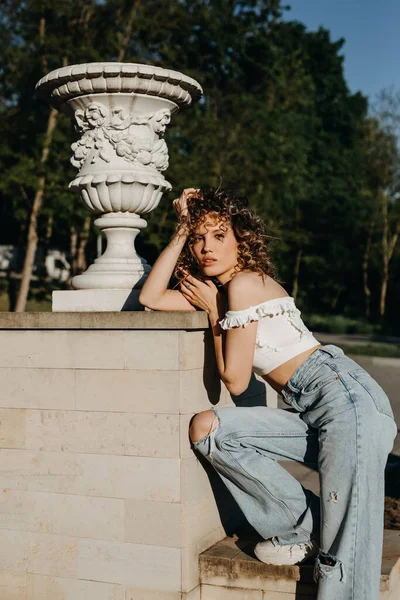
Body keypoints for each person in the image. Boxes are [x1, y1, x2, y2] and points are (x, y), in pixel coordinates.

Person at [139, 188, 397, 600]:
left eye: (219, 236)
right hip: (311, 405)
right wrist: (182, 226)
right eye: (198, 238)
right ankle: (304, 528)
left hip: (342, 397)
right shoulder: (221, 294)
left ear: (241, 239)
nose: (206, 248)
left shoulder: (242, 285)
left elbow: (236, 381)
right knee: (211, 430)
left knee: (345, 548)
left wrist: (213, 316)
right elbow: (150, 298)